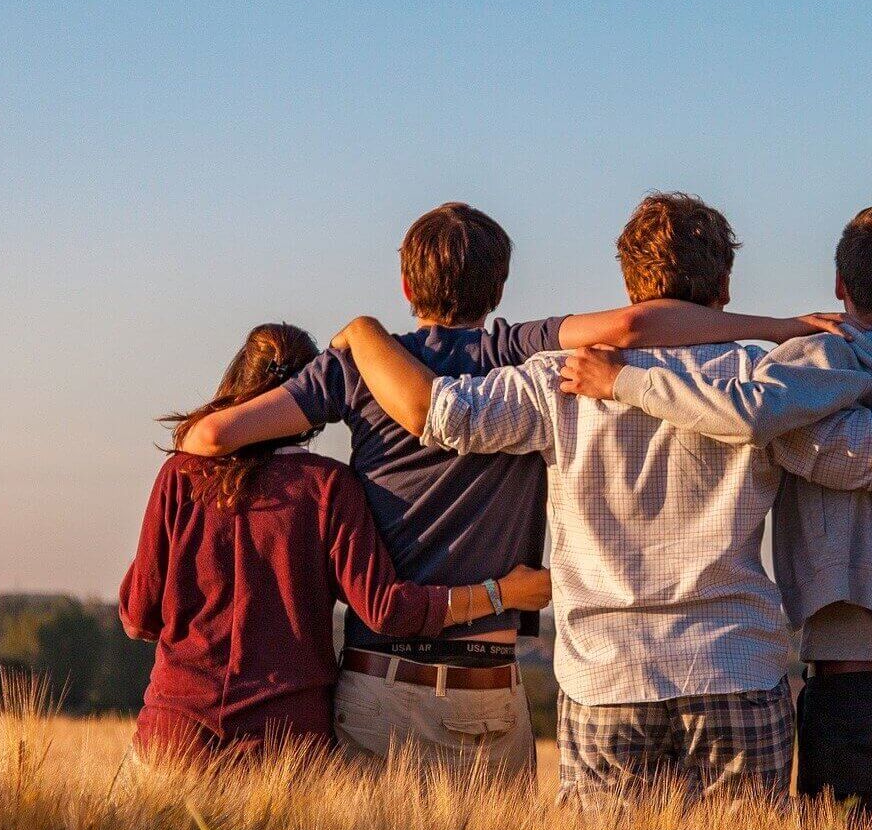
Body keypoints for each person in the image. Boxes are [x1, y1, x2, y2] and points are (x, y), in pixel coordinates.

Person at [333, 193, 872, 809]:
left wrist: (363, 334)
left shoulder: (558, 378)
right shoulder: (762, 380)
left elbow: (444, 416)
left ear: (628, 286)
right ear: (724, 290)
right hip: (735, 667)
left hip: (605, 676)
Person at [174, 202, 844, 779]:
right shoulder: (516, 351)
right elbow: (637, 327)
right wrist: (778, 327)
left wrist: (350, 349)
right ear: (499, 287)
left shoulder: (358, 366)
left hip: (381, 679)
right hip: (491, 686)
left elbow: (208, 440)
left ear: (407, 285)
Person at [561, 206, 872, 826]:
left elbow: (742, 412)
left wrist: (625, 381)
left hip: (846, 694)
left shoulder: (798, 378)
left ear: (839, 285)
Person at [119, 322, 551, 769]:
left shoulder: (181, 476)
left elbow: (139, 615)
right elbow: (385, 609)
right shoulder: (328, 488)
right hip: (286, 746)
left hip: (174, 735)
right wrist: (501, 594)